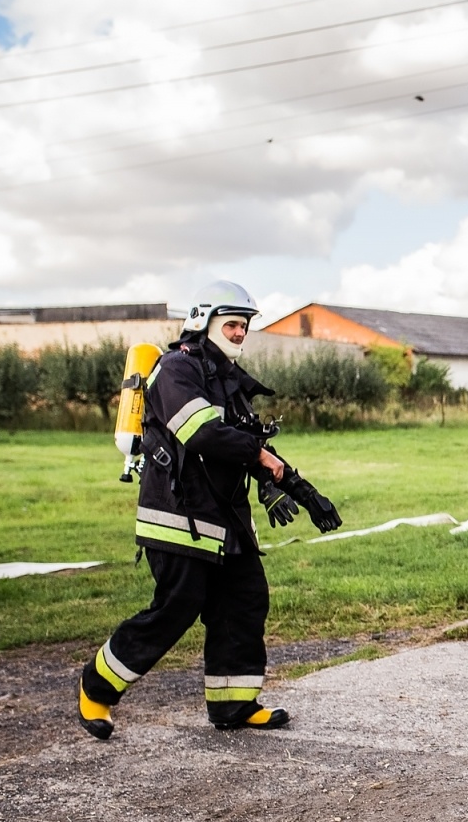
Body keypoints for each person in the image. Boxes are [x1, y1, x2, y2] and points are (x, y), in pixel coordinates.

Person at [77, 281, 343, 741]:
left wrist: (297, 489)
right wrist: (260, 458)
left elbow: (251, 442)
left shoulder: (227, 380)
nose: (240, 333)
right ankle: (96, 689)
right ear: (203, 321)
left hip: (226, 522)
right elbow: (203, 434)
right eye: (232, 324)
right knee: (175, 609)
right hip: (179, 519)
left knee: (243, 603)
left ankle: (233, 704)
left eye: (244, 326)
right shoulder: (175, 370)